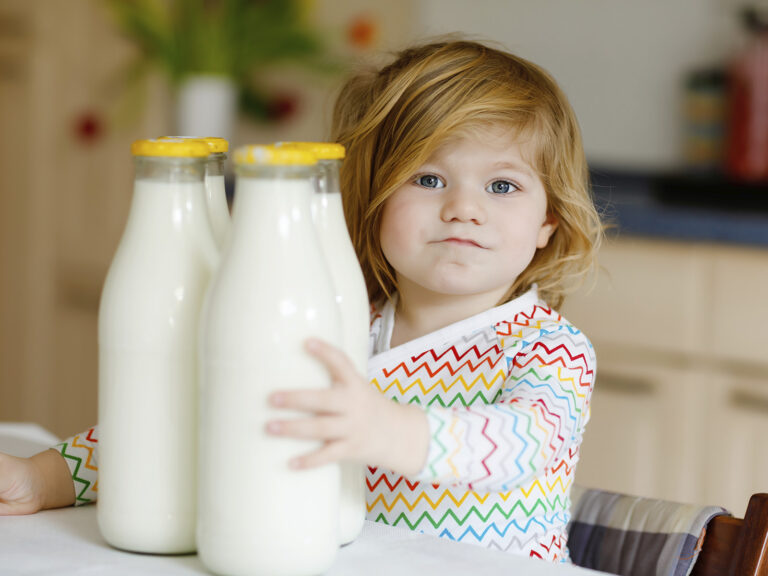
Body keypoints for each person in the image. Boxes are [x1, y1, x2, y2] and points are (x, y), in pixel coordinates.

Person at [0, 39, 602, 562]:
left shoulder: (549, 350)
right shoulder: (335, 320)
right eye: (428, 178)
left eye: (502, 186)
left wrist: (386, 430)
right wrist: (43, 478)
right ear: (375, 197)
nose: (463, 207)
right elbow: (186, 428)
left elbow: (517, 444)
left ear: (548, 220)